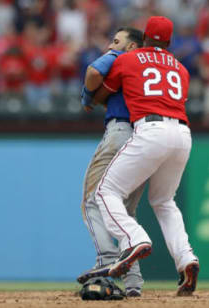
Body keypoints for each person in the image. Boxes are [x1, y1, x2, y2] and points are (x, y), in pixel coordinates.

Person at [90, 16, 199, 296]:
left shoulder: (129, 59)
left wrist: (90, 96)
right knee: (164, 202)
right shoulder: (181, 69)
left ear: (146, 38)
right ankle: (186, 258)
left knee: (105, 192)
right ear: (169, 41)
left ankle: (135, 239)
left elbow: (102, 93)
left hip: (150, 130)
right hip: (183, 134)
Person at [77, 27, 146, 297]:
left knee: (93, 201)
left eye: (117, 41)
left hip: (120, 132)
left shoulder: (121, 58)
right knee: (125, 211)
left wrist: (87, 94)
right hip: (145, 138)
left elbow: (93, 73)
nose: (110, 45)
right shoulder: (152, 67)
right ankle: (133, 283)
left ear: (131, 47)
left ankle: (107, 262)